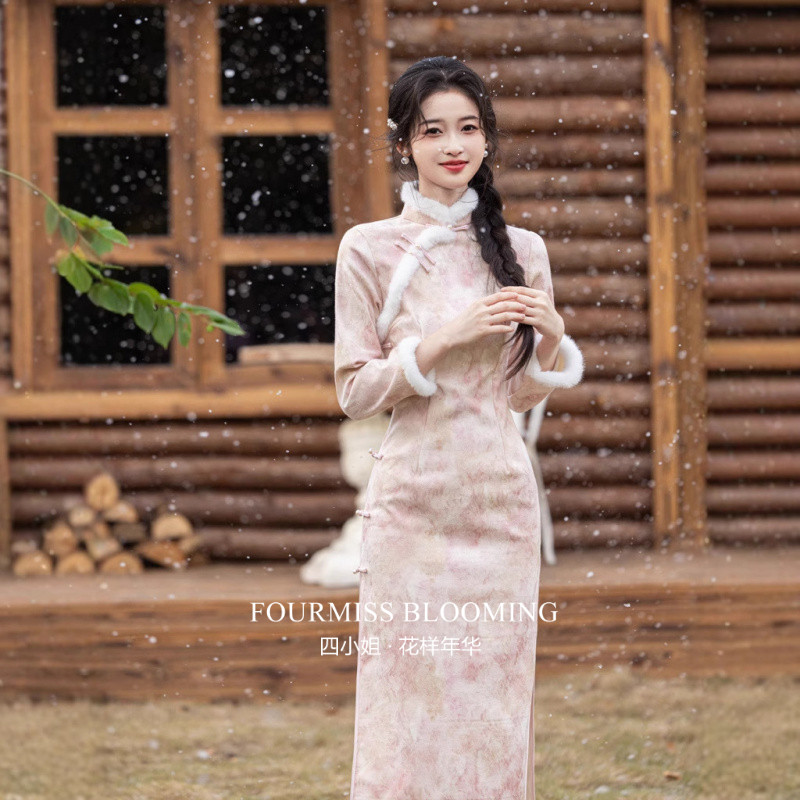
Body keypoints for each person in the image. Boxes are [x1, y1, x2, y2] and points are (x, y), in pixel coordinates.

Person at [334, 56, 585, 800]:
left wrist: (551, 337)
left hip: (498, 504)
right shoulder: (369, 247)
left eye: (468, 128)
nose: (453, 145)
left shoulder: (524, 251)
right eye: (432, 130)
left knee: (494, 702)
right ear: (403, 143)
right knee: (402, 698)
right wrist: (442, 340)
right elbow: (355, 390)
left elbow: (518, 396)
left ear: (487, 138)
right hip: (412, 506)